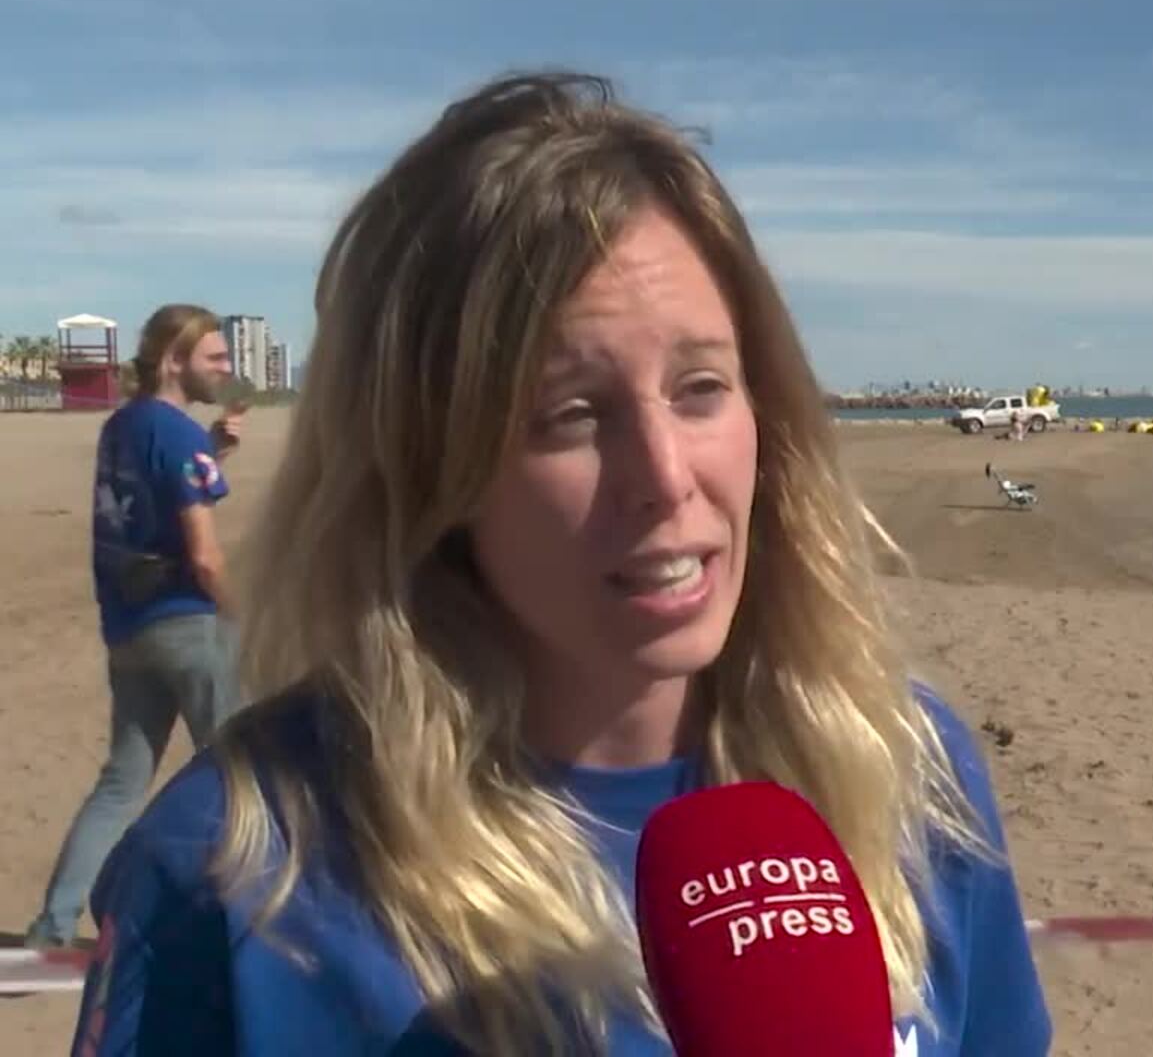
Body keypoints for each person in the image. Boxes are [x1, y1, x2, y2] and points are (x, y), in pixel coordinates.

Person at [70, 72, 1052, 1056]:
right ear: (426, 468)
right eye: (570, 414)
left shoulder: (906, 773)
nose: (665, 479)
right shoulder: (233, 876)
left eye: (701, 387)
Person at [22, 305, 244, 951]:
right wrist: (241, 612)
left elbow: (149, 503)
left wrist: (217, 447)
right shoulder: (176, 437)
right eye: (215, 358)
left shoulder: (124, 427)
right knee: (243, 777)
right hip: (188, 627)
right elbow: (203, 556)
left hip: (128, 630)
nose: (226, 369)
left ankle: (53, 926)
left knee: (121, 783)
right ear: (174, 360)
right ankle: (240, 925)